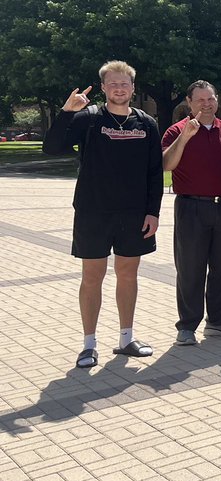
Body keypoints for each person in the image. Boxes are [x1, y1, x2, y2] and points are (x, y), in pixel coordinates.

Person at [43, 62, 163, 368]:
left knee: (127, 274)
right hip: (93, 211)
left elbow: (154, 172)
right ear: (104, 87)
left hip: (134, 214)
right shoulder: (89, 118)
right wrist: (67, 111)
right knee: (92, 277)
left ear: (133, 88)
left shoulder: (146, 122)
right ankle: (89, 344)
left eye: (124, 84)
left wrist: (153, 212)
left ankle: (126, 338)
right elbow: (52, 148)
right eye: (113, 84)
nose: (119, 88)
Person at [160, 80, 221, 345]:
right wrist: (185, 137)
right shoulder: (175, 131)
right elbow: (166, 165)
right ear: (189, 102)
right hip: (191, 208)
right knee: (190, 268)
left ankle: (218, 322)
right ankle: (187, 325)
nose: (207, 105)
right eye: (200, 100)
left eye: (211, 99)